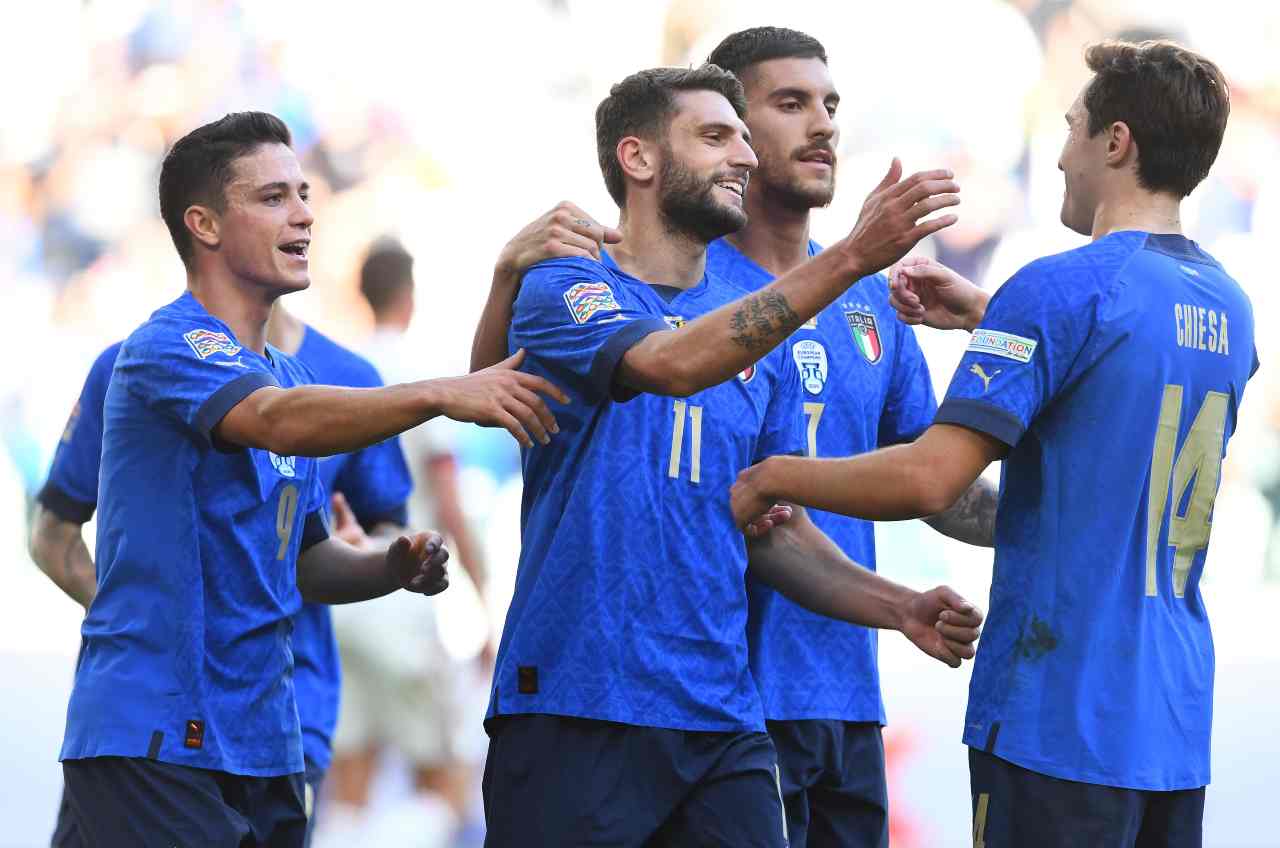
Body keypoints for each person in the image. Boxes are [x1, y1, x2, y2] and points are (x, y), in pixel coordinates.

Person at [731, 40, 1254, 847]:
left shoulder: (1060, 285)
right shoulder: (1229, 304)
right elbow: (1116, 386)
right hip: (1172, 717)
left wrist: (772, 477)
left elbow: (932, 478)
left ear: (1116, 143)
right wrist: (990, 314)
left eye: (1073, 128)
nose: (1061, 158)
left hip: (1060, 707)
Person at [472, 65, 982, 847]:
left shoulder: (756, 326)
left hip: (723, 715)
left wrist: (899, 608)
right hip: (577, 700)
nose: (743, 156)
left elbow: (768, 524)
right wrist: (852, 255)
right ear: (638, 157)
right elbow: (668, 364)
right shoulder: (567, 282)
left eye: (745, 138)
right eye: (715, 136)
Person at [56, 111, 565, 848]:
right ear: (203, 224)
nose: (303, 214)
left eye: (303, 194)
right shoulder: (166, 345)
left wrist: (389, 565)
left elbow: (308, 561)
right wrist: (439, 392)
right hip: (158, 734)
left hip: (265, 737)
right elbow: (272, 420)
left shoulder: (294, 375)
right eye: (272, 197)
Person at [699, 27, 999, 847]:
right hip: (725, 705)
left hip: (847, 697)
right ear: (728, 131)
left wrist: (1048, 516)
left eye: (830, 104)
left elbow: (933, 480)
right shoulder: (692, 291)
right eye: (791, 103)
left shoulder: (871, 302)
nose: (824, 124)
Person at [30, 301, 414, 846]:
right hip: (153, 726)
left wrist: (369, 552)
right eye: (272, 206)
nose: (301, 239)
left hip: (285, 720)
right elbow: (53, 534)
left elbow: (384, 528)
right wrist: (142, 629)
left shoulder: (341, 375)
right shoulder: (136, 359)